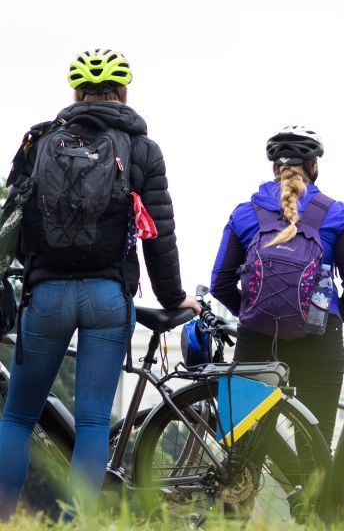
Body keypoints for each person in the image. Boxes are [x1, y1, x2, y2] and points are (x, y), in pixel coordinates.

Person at [0, 49, 199, 519]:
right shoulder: (142, 150)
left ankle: (5, 518)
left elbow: (11, 217)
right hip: (108, 297)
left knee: (17, 417)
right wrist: (174, 298)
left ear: (76, 94)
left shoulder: (39, 141)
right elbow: (159, 235)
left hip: (45, 295)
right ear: (124, 95)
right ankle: (79, 524)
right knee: (92, 420)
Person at [210, 126, 344, 445]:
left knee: (241, 443)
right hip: (319, 339)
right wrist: (333, 315)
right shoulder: (336, 213)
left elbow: (220, 282)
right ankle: (309, 495)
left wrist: (252, 310)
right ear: (314, 167)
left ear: (274, 169)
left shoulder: (245, 213)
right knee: (314, 448)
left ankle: (239, 492)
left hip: (257, 339)